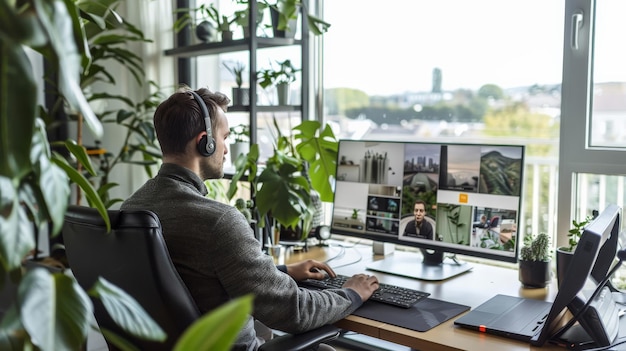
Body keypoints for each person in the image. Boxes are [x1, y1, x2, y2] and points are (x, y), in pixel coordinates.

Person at [120, 86, 380, 351]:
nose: (226, 150)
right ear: (204, 142)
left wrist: (283, 272)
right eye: (224, 138)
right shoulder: (217, 221)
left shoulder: (130, 209)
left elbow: (190, 280)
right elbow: (293, 311)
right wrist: (351, 293)